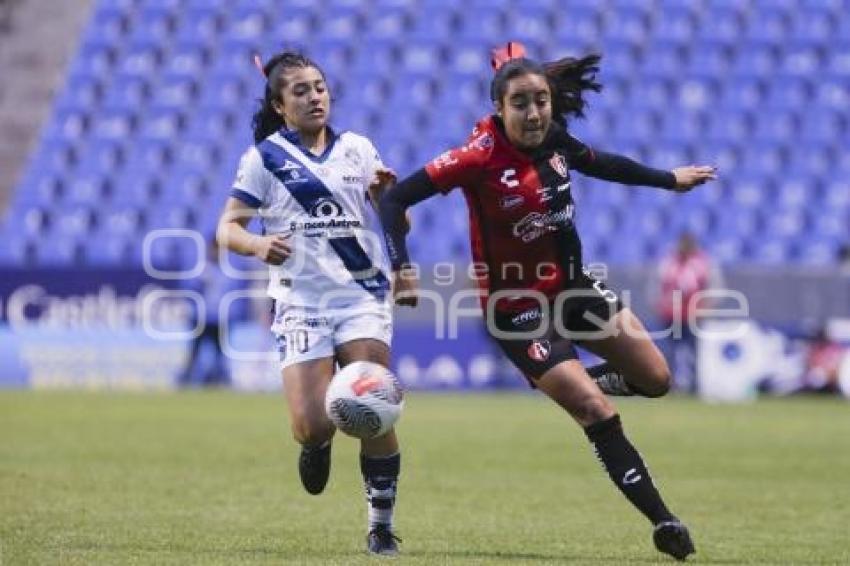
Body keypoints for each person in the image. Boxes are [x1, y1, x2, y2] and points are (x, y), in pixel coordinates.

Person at [380, 41, 716, 561]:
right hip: (517, 309)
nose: (534, 112)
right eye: (521, 103)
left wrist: (668, 179)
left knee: (658, 380)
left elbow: (603, 163)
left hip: (575, 287)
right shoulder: (478, 157)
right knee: (595, 411)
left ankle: (572, 379)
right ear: (499, 108)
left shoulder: (555, 140)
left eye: (541, 100)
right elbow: (394, 197)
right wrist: (402, 268)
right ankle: (664, 521)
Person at [216, 50, 405, 555]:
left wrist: (391, 202)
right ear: (280, 105)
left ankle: (381, 525)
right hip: (300, 301)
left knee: (376, 406)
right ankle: (316, 443)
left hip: (361, 295)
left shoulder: (359, 149)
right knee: (311, 423)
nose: (314, 96)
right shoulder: (264, 159)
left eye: (319, 87)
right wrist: (257, 244)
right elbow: (226, 228)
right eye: (300, 90)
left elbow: (392, 221)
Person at [654, 232, 723, 393]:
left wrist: (705, 307)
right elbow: (657, 286)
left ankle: (694, 386)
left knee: (693, 352)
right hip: (670, 316)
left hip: (692, 316)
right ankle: (668, 386)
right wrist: (659, 304)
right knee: (667, 353)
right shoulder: (668, 262)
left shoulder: (702, 263)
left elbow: (714, 287)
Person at [177, 240, 241, 387]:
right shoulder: (202, 270)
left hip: (220, 320)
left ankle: (221, 380)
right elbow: (190, 292)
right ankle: (186, 380)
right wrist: (199, 284)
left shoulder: (227, 272)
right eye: (214, 249)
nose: (216, 253)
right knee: (194, 351)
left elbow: (233, 296)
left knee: (220, 353)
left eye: (218, 250)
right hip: (201, 318)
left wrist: (232, 315)